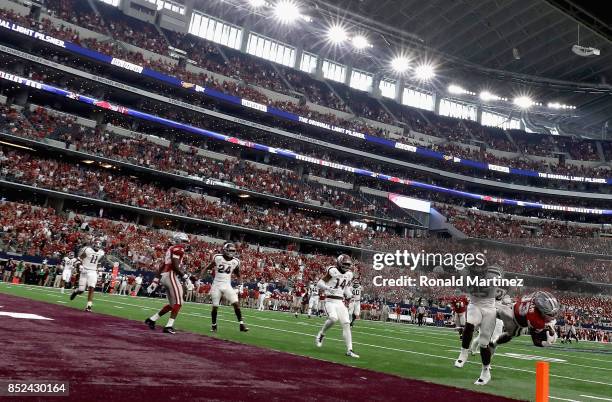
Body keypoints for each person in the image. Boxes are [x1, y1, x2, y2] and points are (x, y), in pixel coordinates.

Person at [454, 265, 502, 386]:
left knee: (484, 343)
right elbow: (463, 286)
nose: (476, 273)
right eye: (474, 271)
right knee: (469, 325)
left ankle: (485, 372)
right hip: (475, 305)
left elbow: (493, 290)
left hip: (489, 308)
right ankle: (464, 352)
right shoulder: (465, 273)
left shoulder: (493, 275)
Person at [144, 233, 190, 334]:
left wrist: (155, 281)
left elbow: (162, 266)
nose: (185, 244)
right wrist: (186, 277)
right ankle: (169, 326)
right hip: (170, 275)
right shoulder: (178, 248)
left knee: (172, 304)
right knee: (179, 302)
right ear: (178, 240)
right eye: (184, 241)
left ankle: (152, 319)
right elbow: (174, 266)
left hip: (165, 276)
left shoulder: (171, 249)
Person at [315, 254, 359, 358]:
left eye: (348, 264)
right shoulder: (332, 271)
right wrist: (327, 288)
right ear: (339, 263)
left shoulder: (349, 274)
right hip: (329, 300)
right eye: (345, 264)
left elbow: (345, 288)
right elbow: (319, 283)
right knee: (333, 318)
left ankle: (349, 350)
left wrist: (350, 295)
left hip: (340, 302)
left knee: (346, 323)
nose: (347, 266)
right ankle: (321, 334)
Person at [200, 242, 248, 333]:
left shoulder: (235, 261)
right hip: (216, 285)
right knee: (215, 307)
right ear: (225, 250)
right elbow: (207, 267)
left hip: (227, 285)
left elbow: (238, 274)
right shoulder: (218, 257)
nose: (232, 252)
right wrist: (201, 276)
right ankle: (214, 325)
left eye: (233, 251)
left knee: (236, 304)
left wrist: (241, 284)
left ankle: (242, 324)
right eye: (230, 250)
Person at [70, 238, 105, 312]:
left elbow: (99, 263)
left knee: (92, 288)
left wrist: (99, 271)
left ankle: (89, 306)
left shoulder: (101, 252)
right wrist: (80, 265)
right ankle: (76, 291)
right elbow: (79, 259)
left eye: (98, 246)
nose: (97, 247)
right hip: (85, 270)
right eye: (96, 245)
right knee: (81, 290)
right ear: (93, 244)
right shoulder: (88, 250)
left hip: (93, 271)